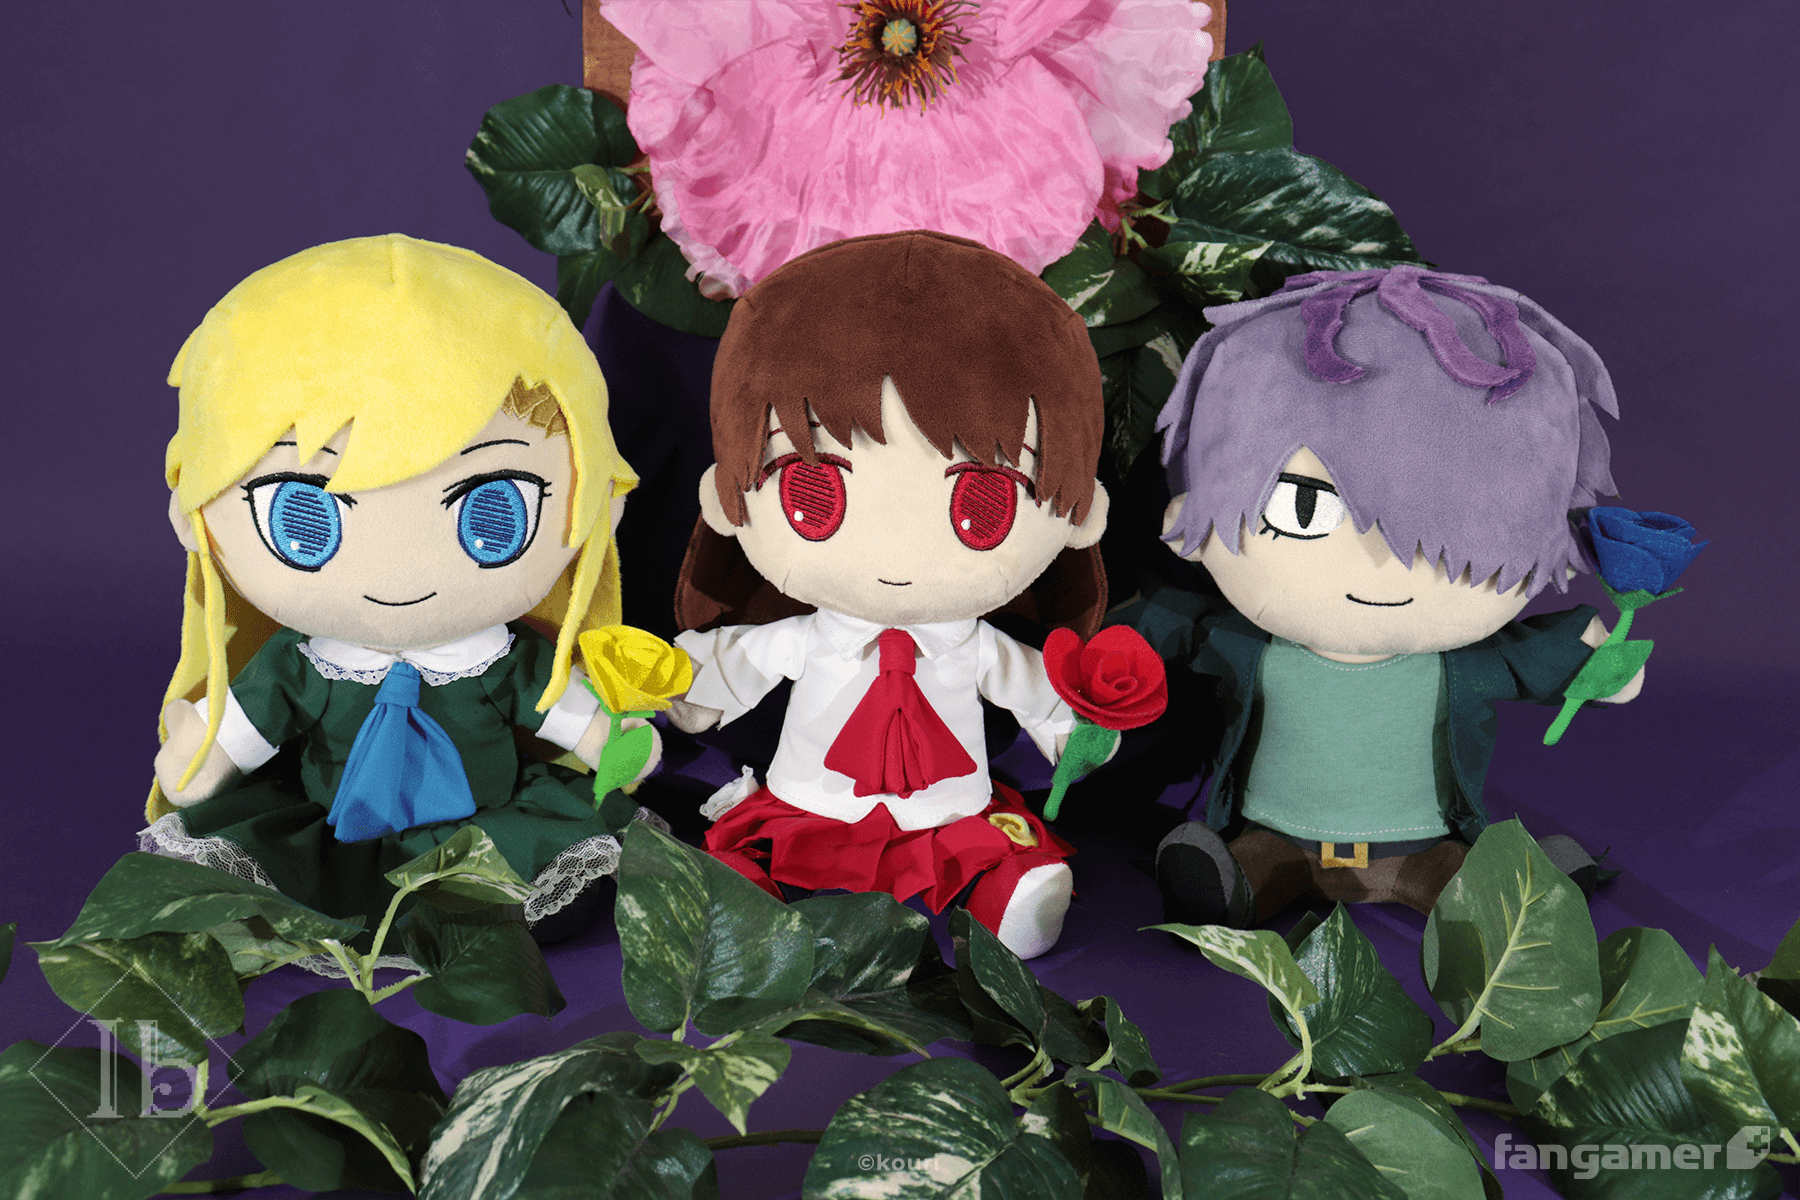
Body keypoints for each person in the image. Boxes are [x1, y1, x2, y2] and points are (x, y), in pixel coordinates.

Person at [145, 234, 657, 944]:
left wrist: (613, 738)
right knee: (276, 885)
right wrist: (202, 757)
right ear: (194, 518)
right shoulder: (303, 664)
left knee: (548, 895)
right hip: (333, 830)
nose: (400, 572)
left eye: (494, 512)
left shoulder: (500, 659)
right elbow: (245, 728)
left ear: (600, 506)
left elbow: (564, 712)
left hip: (487, 829)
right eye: (304, 518)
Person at [1134, 265, 1644, 927]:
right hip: (1278, 839)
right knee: (1252, 865)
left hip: (1422, 849)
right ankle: (1232, 884)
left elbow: (1544, 658)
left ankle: (1513, 888)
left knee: (1459, 878)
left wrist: (1602, 661)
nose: (1383, 562)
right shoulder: (1243, 643)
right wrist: (1110, 655)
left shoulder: (1464, 662)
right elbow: (1170, 629)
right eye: (1303, 509)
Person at [669, 230, 1111, 959]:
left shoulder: (975, 648)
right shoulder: (807, 639)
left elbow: (1037, 695)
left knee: (990, 848)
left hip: (948, 810)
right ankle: (748, 890)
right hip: (812, 800)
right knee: (760, 848)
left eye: (982, 506)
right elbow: (732, 669)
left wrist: (1077, 731)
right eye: (814, 494)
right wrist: (676, 688)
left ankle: (1010, 897)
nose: (898, 555)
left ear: (1079, 516)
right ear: (725, 500)